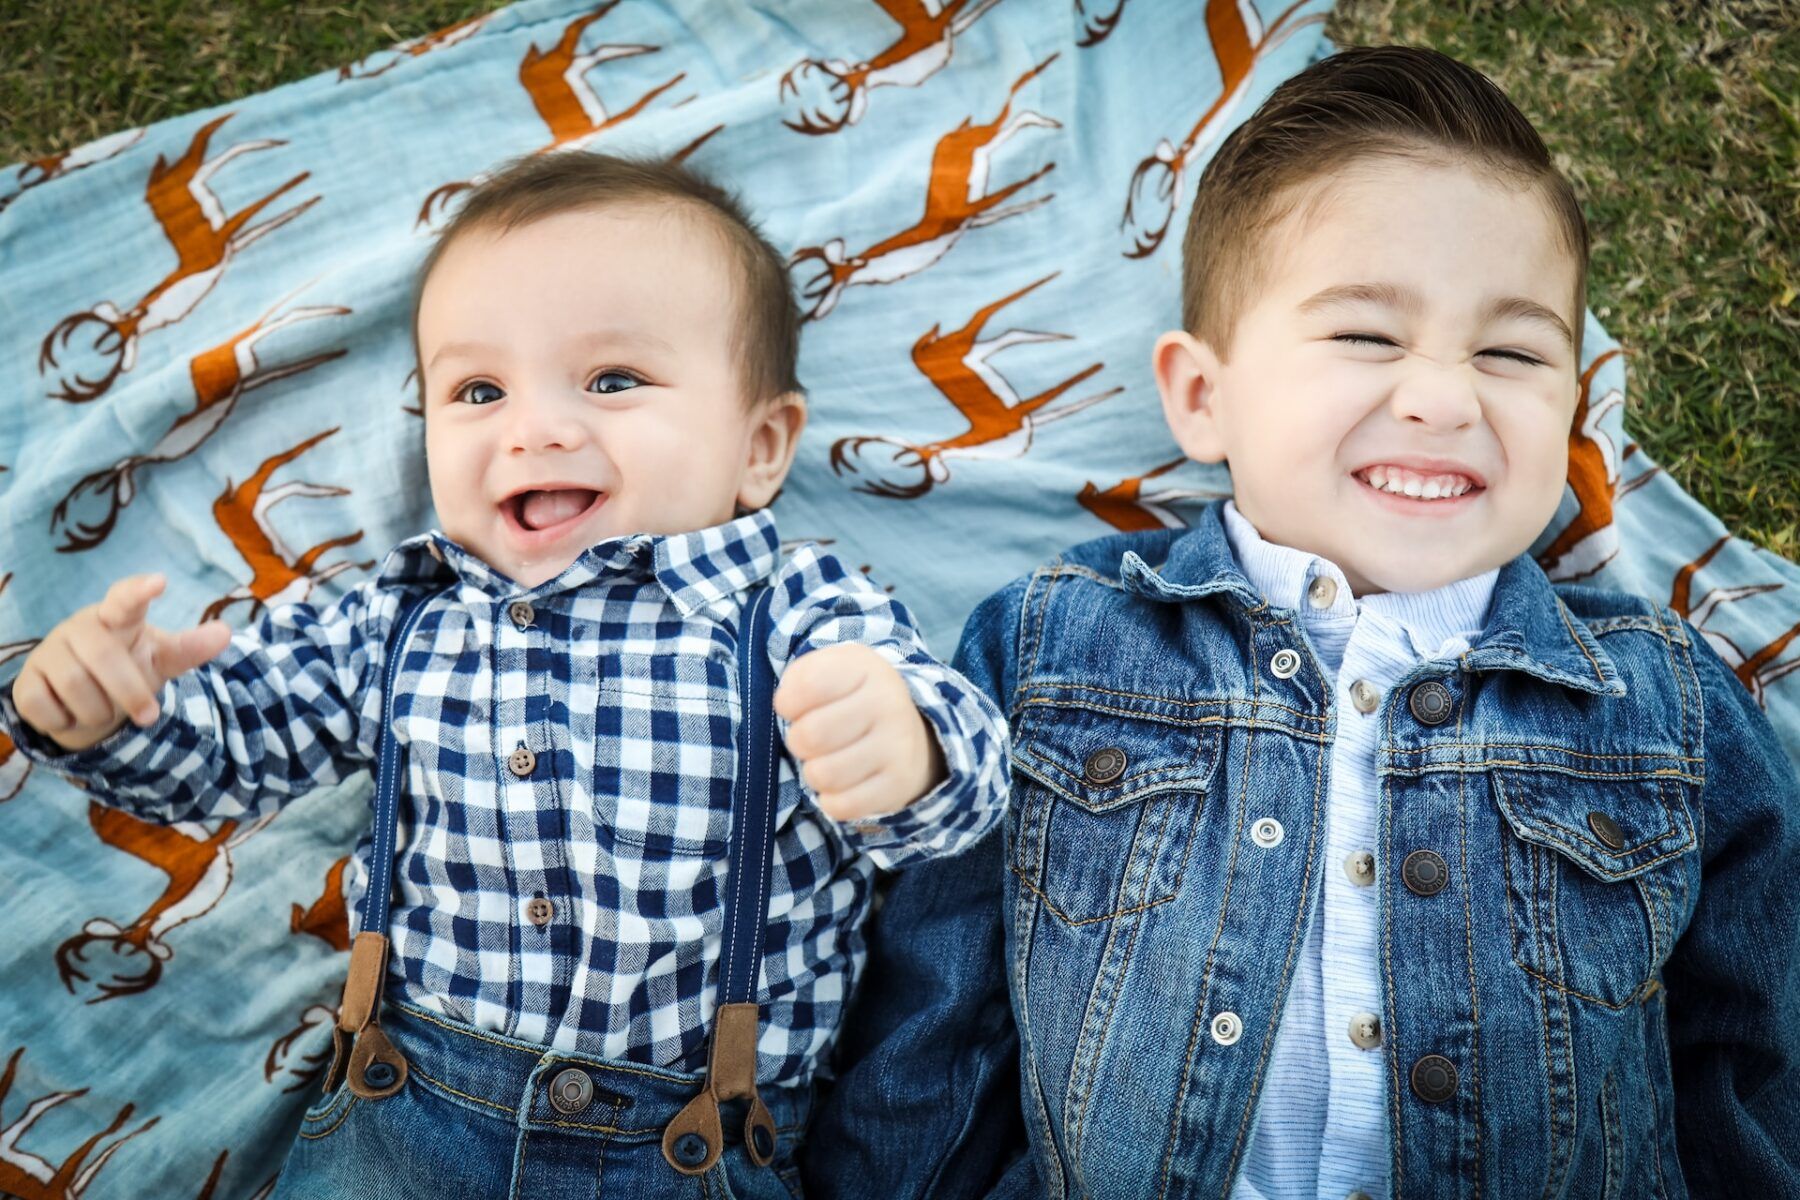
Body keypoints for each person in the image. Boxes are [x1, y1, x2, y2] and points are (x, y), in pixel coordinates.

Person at [0, 150, 1009, 1198]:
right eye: (478, 390)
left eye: (613, 380)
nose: (535, 427)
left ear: (762, 447)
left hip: (698, 1135)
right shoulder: (401, 613)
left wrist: (910, 747)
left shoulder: (800, 608)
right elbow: (238, 748)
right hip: (408, 1109)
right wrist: (107, 715)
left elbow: (967, 803)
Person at [943, 45, 1800, 1197]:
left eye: (1512, 351)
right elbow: (939, 1015)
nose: (1445, 397)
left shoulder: (1664, 702)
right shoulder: (1052, 647)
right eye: (1365, 336)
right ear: (1204, 396)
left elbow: (1758, 1054)